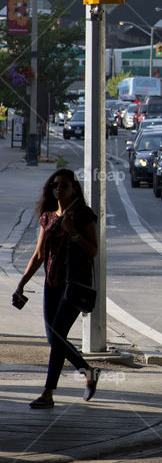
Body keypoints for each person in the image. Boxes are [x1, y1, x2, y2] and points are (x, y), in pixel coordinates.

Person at [13, 169, 100, 409]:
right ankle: (88, 372)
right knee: (54, 339)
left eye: (63, 185)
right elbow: (40, 254)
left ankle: (48, 393)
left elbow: (93, 251)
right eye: (55, 186)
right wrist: (22, 283)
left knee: (58, 334)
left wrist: (73, 232)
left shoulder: (84, 215)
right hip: (52, 285)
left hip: (74, 286)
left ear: (74, 188)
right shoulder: (48, 217)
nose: (58, 190)